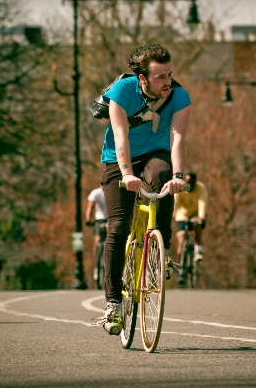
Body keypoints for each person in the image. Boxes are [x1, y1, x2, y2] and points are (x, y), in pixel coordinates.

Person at [96, 43, 191, 335]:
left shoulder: (179, 96)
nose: (167, 82)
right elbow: (121, 136)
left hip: (155, 155)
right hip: (118, 160)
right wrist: (126, 174)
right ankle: (112, 305)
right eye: (160, 76)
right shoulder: (122, 92)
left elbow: (176, 140)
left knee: (162, 177)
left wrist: (177, 175)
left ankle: (162, 253)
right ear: (143, 78)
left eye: (169, 74)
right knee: (118, 225)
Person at [173, 172, 208, 280]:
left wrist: (201, 217)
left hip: (195, 214)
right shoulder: (181, 188)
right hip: (182, 216)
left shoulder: (201, 188)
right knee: (181, 242)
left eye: (192, 183)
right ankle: (181, 267)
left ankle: (198, 249)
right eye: (188, 183)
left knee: (197, 224)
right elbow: (175, 203)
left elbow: (203, 203)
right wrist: (172, 215)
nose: (190, 186)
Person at [85, 187, 108, 281]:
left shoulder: (112, 190)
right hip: (100, 219)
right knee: (97, 239)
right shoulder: (96, 193)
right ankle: (96, 263)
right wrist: (88, 219)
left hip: (110, 219)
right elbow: (90, 206)